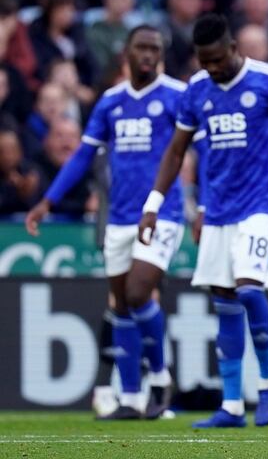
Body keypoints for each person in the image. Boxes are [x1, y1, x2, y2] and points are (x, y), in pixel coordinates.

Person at [138, 13, 268, 428]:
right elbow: (175, 153)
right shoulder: (197, 90)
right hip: (218, 210)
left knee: (248, 289)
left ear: (234, 49)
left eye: (218, 59)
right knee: (223, 300)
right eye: (205, 61)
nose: (213, 68)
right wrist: (154, 203)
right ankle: (232, 406)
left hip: (261, 206)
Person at [25, 26, 184, 419]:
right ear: (125, 53)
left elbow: (202, 149)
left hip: (162, 213)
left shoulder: (177, 97)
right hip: (118, 217)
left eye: (154, 49)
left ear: (161, 55)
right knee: (121, 308)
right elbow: (82, 156)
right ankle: (130, 397)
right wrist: (48, 200)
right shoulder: (110, 102)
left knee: (137, 291)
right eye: (141, 48)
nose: (148, 55)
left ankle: (160, 376)